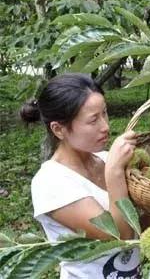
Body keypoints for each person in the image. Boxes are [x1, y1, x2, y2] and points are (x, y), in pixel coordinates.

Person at [20, 73, 140, 279]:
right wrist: (114, 172)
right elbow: (120, 236)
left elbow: (139, 223)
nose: (105, 126)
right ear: (59, 129)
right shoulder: (50, 182)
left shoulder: (104, 158)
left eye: (105, 113)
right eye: (93, 120)